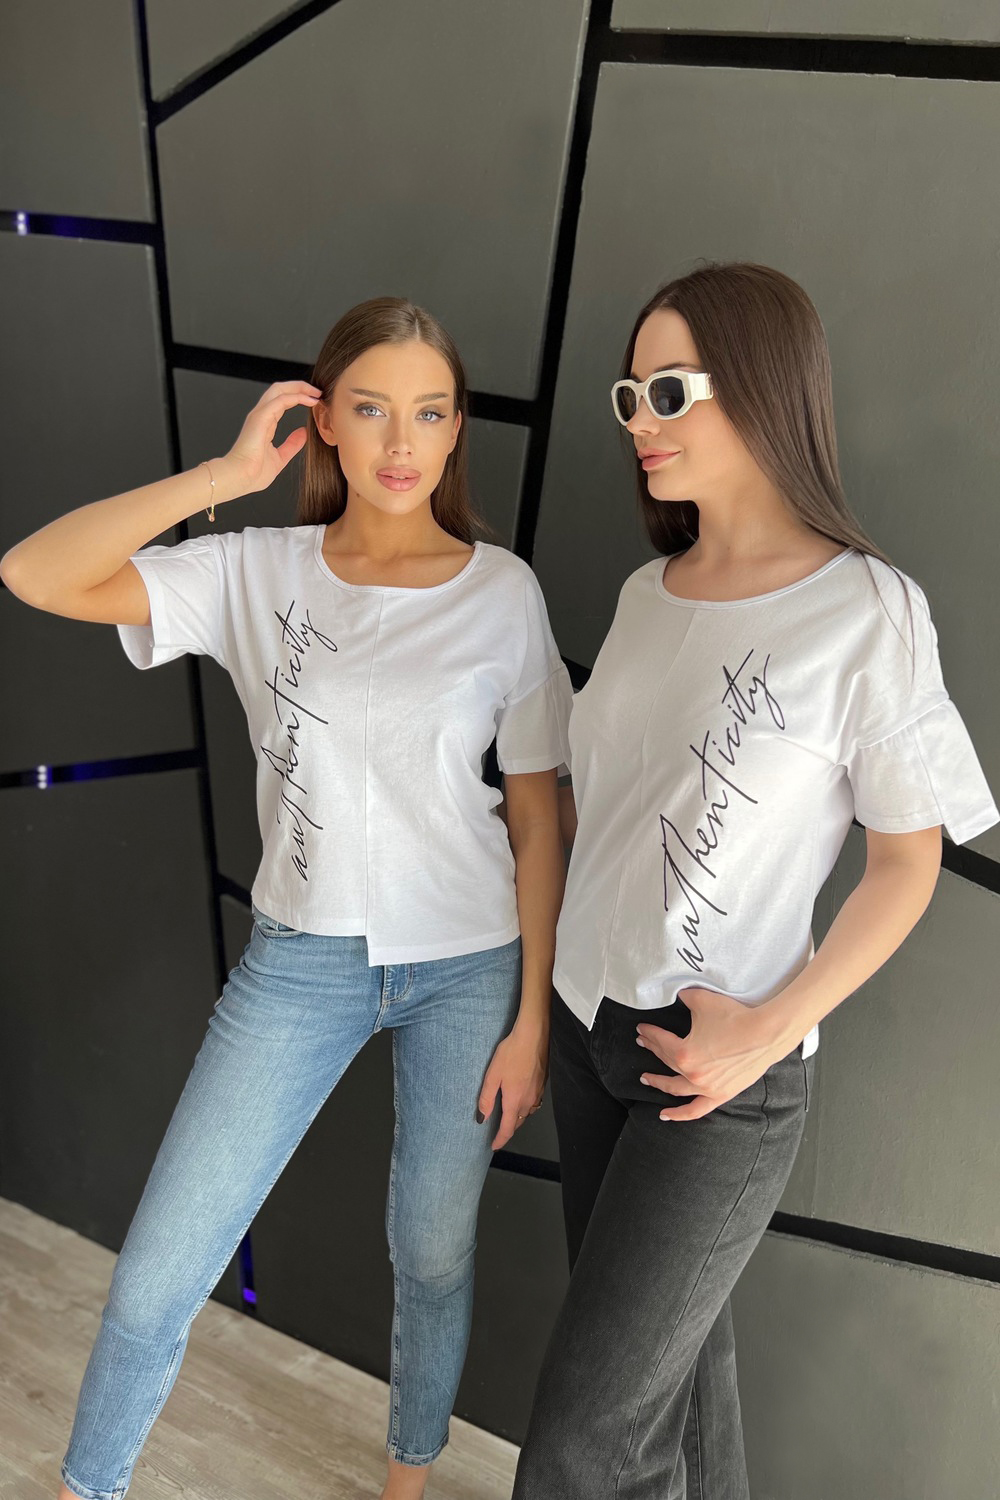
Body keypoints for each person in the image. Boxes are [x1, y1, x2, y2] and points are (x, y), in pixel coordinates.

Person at [1, 296, 573, 1500]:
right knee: (158, 1276)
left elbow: (536, 814)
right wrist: (223, 477)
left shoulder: (502, 593)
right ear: (324, 422)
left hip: (469, 965)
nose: (401, 441)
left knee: (431, 1253)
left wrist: (531, 1020)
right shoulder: (257, 571)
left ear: (457, 429)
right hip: (299, 963)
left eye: (429, 413)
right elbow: (33, 572)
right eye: (371, 409)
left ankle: (406, 1484)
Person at [511, 262, 998, 1499]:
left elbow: (907, 861)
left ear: (767, 387)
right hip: (586, 1031)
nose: (641, 421)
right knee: (671, 1405)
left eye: (670, 391)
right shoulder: (644, 595)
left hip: (716, 1076)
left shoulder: (867, 611)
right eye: (629, 396)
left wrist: (771, 1030)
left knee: (584, 1442)